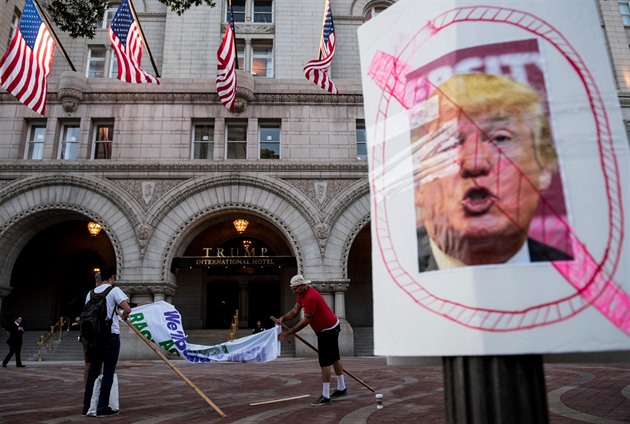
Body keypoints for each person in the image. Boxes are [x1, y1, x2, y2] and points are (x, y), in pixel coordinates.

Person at [411, 73, 572, 271]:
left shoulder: (575, 274)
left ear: (544, 167)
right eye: (448, 144)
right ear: (418, 184)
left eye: (500, 139)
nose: (474, 163)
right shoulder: (396, 272)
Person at [278, 274, 347, 406]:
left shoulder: (310, 297)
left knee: (325, 362)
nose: (293, 291)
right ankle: (341, 388)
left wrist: (289, 332)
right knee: (334, 358)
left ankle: (326, 396)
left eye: (295, 289)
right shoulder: (301, 294)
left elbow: (306, 321)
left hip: (328, 329)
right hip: (331, 326)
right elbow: (295, 310)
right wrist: (284, 318)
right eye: (292, 289)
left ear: (303, 286)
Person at [82, 267, 132, 417]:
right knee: (108, 371)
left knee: (93, 372)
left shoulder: (90, 293)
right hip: (110, 335)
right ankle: (102, 407)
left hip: (94, 337)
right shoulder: (113, 290)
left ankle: (87, 406)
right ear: (112, 277)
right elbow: (127, 308)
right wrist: (123, 315)